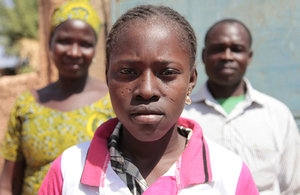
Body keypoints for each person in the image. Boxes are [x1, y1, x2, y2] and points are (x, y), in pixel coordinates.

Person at [38, 5, 259, 195]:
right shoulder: (70, 171)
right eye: (127, 71)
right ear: (107, 77)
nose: (146, 90)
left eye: (167, 72)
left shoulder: (228, 176)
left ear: (191, 80)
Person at [0, 0, 115, 194]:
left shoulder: (112, 103)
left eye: (85, 44)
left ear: (96, 49)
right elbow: (8, 185)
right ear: (49, 43)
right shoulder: (27, 105)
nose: (74, 52)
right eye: (64, 41)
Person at [182, 19, 300, 194]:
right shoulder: (183, 114)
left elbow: (293, 188)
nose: (227, 56)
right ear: (204, 56)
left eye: (236, 49)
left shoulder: (277, 114)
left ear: (249, 57)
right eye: (218, 49)